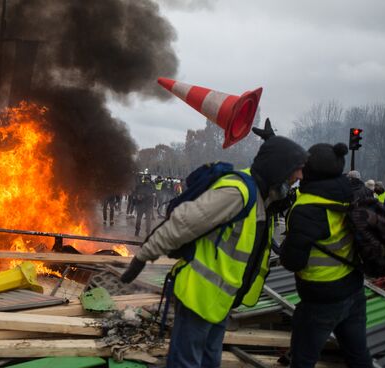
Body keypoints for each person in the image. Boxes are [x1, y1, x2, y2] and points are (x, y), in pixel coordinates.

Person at [121, 131, 308, 367]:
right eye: (297, 169)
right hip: (198, 297)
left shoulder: (263, 198)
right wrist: (143, 256)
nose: (300, 176)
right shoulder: (237, 192)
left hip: (221, 301)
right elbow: (182, 224)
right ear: (278, 168)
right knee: (186, 363)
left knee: (209, 361)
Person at [280, 143, 372, 368]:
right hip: (353, 290)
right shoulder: (350, 194)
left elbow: (293, 261)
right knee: (359, 357)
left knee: (303, 359)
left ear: (310, 172)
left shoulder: (307, 209)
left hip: (321, 298)